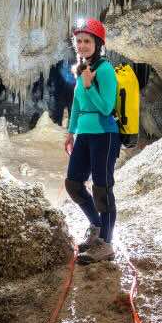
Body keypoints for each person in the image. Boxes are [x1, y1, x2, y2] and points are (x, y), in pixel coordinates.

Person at [63, 18, 121, 261]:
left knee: (102, 189)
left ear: (98, 43)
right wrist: (70, 131)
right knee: (73, 184)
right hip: (85, 134)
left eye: (87, 41)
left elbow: (106, 107)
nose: (82, 45)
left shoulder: (105, 70)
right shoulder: (82, 69)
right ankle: (96, 227)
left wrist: (89, 85)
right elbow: (77, 104)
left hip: (105, 135)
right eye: (79, 41)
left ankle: (106, 244)